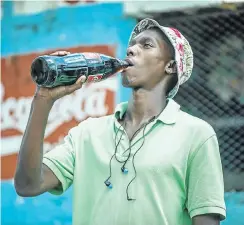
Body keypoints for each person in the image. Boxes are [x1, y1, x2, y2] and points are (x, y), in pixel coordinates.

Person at [14, 18, 226, 225]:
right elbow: (28, 185)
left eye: (147, 45)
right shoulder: (87, 132)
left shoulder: (196, 134)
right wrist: (43, 100)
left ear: (170, 66)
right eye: (132, 45)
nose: (131, 50)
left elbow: (206, 219)